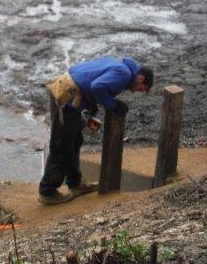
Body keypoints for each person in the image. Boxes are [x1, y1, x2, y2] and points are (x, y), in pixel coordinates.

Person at [38, 56, 154, 205]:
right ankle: (47, 191)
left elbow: (85, 76)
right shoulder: (124, 74)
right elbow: (97, 87)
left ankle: (75, 183)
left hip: (69, 91)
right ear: (141, 79)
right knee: (62, 145)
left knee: (74, 141)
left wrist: (90, 104)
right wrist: (112, 105)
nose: (136, 91)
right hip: (67, 97)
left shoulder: (118, 64)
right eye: (140, 89)